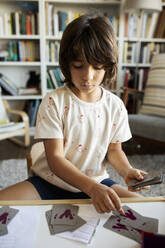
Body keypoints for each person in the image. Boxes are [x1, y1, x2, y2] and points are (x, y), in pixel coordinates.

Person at [0, 14, 148, 214]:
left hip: (98, 182)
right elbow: (55, 159)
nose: (88, 76)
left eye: (97, 67)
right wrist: (90, 188)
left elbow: (114, 151)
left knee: (146, 208)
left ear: (108, 65)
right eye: (79, 66)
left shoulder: (115, 106)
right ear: (67, 63)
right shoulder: (54, 101)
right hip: (51, 183)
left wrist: (127, 171)